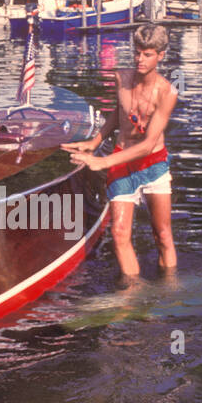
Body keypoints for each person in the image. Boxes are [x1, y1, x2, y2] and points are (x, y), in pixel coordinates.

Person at [63, 23, 177, 278]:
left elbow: (148, 144)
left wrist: (102, 162)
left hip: (153, 164)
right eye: (137, 52)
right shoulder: (121, 78)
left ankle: (169, 292)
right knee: (119, 234)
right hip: (121, 163)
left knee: (163, 235)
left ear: (160, 55)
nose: (140, 59)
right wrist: (95, 141)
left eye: (147, 54)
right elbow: (120, 113)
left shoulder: (167, 92)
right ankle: (133, 295)